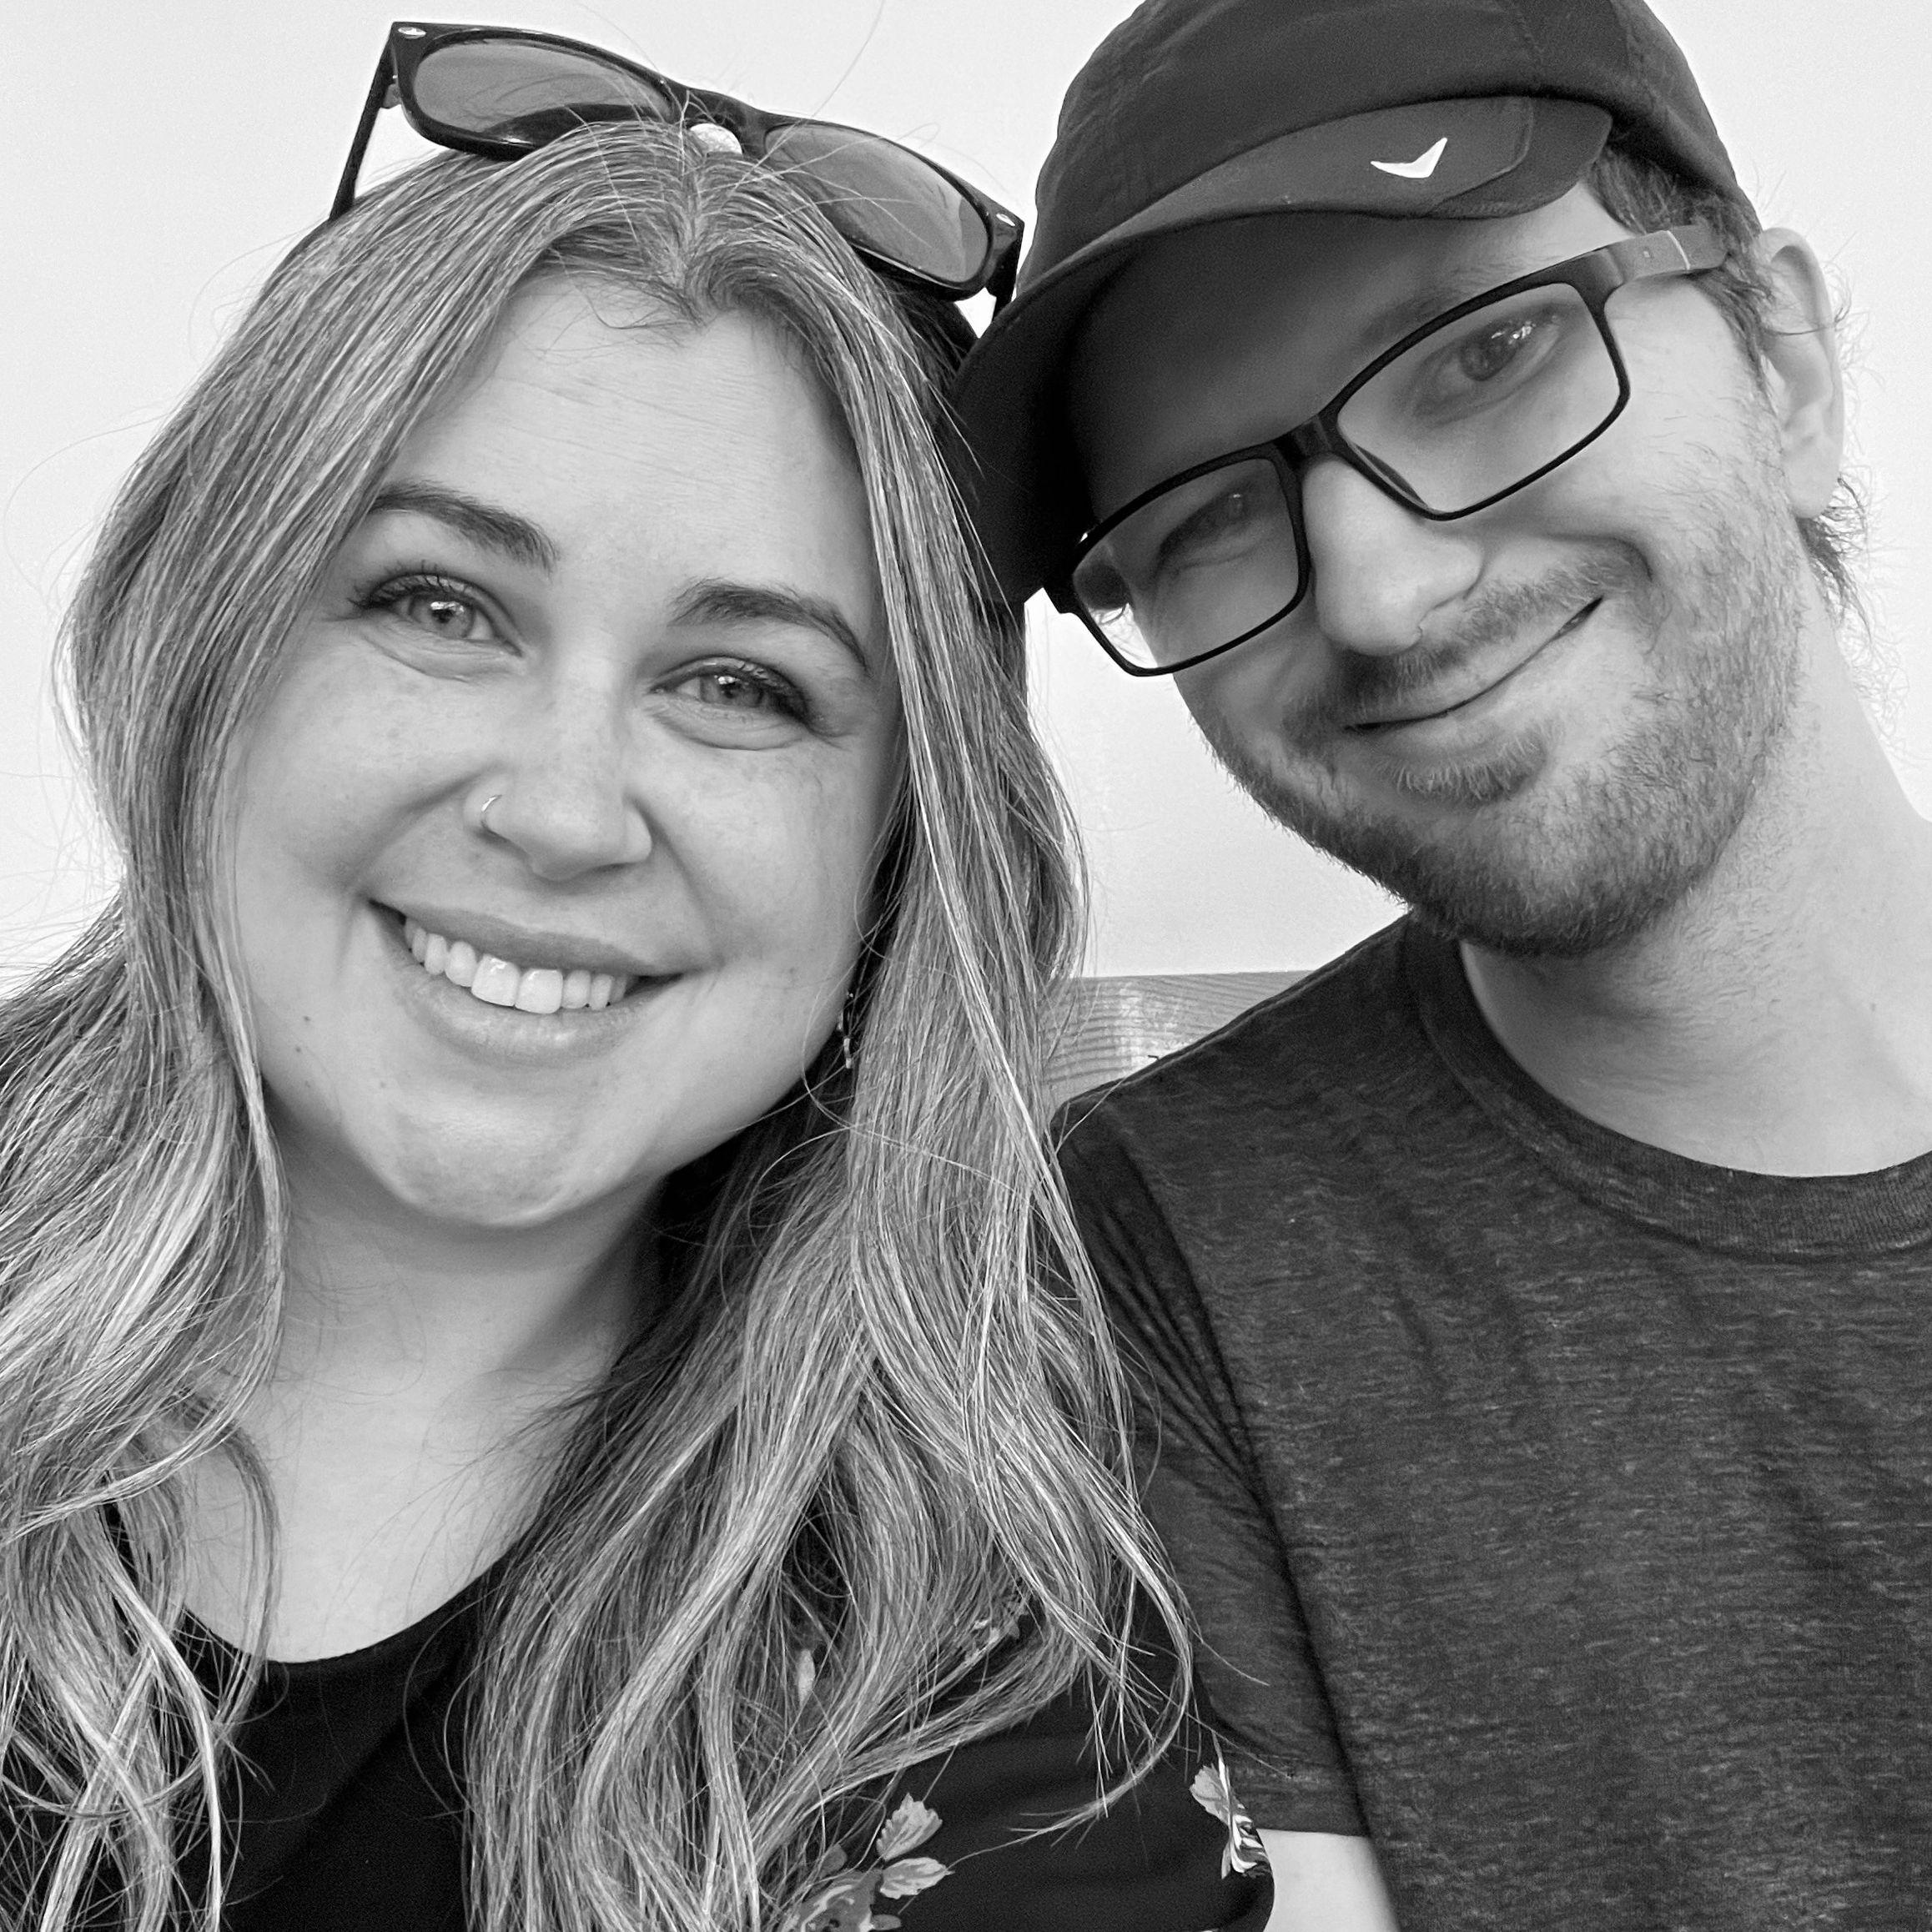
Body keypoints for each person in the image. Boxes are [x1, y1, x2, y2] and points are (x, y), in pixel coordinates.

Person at [0, 25, 1275, 1932]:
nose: (564, 809)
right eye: (440, 605)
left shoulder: (999, 1721)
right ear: (206, 656)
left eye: (742, 685)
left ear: (897, 848)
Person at [952, 0, 1932, 1925]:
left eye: (1488, 356)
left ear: (1786, 361)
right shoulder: (1146, 1269)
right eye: (1205, 515)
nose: (1385, 596)